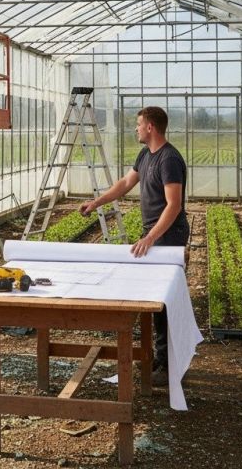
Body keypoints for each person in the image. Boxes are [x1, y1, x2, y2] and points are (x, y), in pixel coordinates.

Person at [78, 105, 188, 387]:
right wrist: (96, 203)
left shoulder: (169, 159)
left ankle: (169, 365)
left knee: (165, 302)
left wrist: (151, 238)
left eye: (139, 124)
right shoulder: (146, 155)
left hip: (168, 237)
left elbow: (173, 206)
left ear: (150, 127)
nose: (135, 129)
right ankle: (157, 358)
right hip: (154, 235)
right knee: (154, 300)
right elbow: (125, 183)